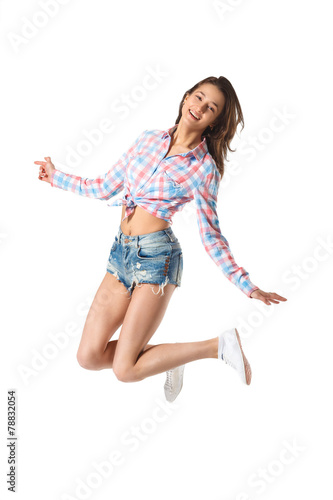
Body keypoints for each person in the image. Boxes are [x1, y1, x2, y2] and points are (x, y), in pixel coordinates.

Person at [34, 75, 287, 402]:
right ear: (186, 98)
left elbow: (211, 235)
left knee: (125, 369)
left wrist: (246, 284)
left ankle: (217, 346)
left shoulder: (204, 169)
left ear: (214, 123)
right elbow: (104, 187)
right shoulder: (148, 139)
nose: (200, 107)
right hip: (120, 256)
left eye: (211, 108)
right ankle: (170, 361)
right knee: (88, 357)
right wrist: (56, 177)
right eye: (198, 97)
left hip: (157, 260)